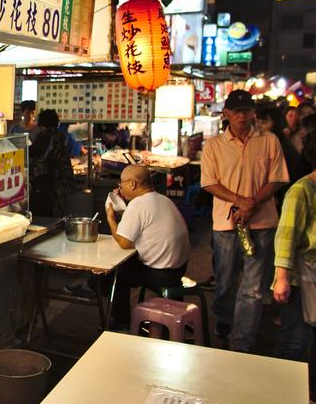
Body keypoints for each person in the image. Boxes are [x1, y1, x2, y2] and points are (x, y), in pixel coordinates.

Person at [200, 89, 288, 351]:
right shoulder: (214, 145)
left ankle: (242, 341)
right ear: (226, 113)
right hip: (226, 225)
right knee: (225, 281)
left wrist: (252, 204)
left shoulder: (269, 140)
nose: (242, 115)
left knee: (253, 287)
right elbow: (209, 183)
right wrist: (241, 201)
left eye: (247, 110)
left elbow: (277, 179)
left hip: (262, 224)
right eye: (236, 110)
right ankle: (225, 320)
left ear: (253, 113)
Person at [272, 124, 316, 404]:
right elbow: (287, 235)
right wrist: (282, 277)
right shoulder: (302, 190)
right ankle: (283, 395)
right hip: (301, 276)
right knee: (296, 337)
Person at [105, 165, 190, 328]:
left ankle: (120, 323)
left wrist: (110, 217)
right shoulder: (162, 199)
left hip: (161, 274)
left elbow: (124, 242)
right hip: (179, 269)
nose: (120, 188)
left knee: (116, 271)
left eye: (120, 184)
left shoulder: (137, 205)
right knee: (128, 263)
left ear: (132, 184)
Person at [28, 109, 75, 218]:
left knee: (43, 212)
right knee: (56, 210)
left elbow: (33, 152)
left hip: (47, 179)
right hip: (59, 180)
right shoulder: (58, 135)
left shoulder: (46, 135)